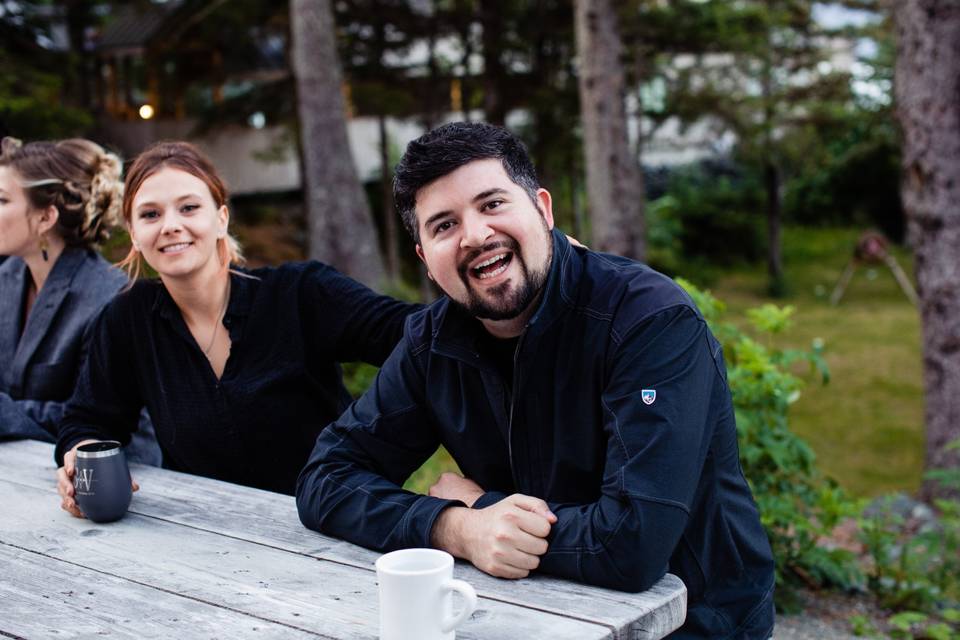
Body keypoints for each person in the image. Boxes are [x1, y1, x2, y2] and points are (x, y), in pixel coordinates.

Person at [296, 122, 776, 639]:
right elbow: (325, 480)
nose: (476, 235)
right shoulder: (430, 343)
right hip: (535, 616)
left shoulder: (648, 321)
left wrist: (482, 505)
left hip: (693, 625)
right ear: (427, 262)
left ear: (542, 210)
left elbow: (634, 544)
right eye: (443, 225)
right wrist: (455, 526)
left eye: (493, 204)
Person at [55, 141, 419, 514]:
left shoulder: (300, 293)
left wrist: (390, 440)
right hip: (207, 537)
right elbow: (89, 419)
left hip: (332, 523)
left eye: (189, 208)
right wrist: (79, 457)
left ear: (221, 219)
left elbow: (417, 337)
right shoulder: (127, 319)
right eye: (150, 215)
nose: (171, 226)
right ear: (132, 232)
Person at [0, 136, 160, 464]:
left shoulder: (110, 297)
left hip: (117, 478)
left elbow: (94, 418)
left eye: (1, 200)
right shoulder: (8, 277)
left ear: (46, 217)